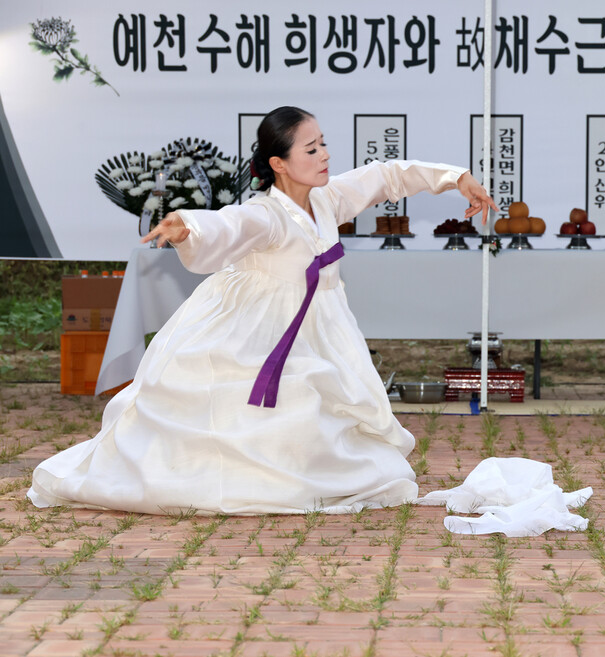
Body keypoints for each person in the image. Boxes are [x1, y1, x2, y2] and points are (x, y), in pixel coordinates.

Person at [28, 106, 498, 515]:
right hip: (258, 326)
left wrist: (455, 178)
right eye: (310, 150)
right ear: (279, 163)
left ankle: (309, 471)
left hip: (321, 322)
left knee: (325, 401)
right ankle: (246, 477)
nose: (325, 156)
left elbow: (386, 175)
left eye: (323, 145)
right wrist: (189, 225)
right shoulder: (267, 213)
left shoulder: (327, 198)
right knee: (270, 406)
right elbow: (228, 224)